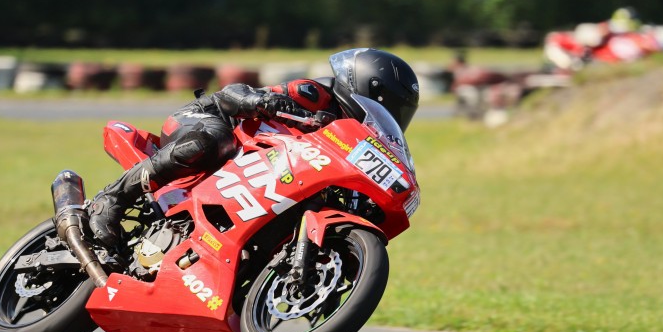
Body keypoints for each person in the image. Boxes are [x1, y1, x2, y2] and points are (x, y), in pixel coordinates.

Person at [88, 48, 420, 247]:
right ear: (368, 86)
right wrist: (265, 100)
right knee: (212, 141)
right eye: (391, 104)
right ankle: (113, 198)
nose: (392, 115)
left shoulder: (350, 139)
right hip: (210, 123)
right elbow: (233, 93)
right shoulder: (315, 94)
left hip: (255, 176)